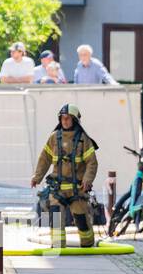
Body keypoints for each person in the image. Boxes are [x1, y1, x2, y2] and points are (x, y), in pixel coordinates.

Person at [29, 103, 99, 248]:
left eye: (68, 118)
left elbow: (92, 163)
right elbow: (44, 159)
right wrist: (37, 177)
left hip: (77, 190)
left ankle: (87, 245)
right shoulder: (54, 137)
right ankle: (57, 246)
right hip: (57, 189)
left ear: (75, 120)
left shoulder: (83, 139)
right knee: (55, 217)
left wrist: (87, 180)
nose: (65, 121)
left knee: (82, 221)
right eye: (62, 118)